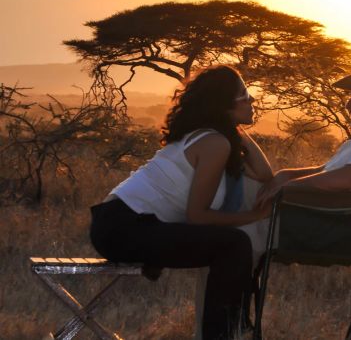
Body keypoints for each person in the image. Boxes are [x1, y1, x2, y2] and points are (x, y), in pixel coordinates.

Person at [89, 65, 274, 340]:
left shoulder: (213, 139)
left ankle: (224, 332)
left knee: (232, 244)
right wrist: (254, 216)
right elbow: (198, 216)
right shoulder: (214, 143)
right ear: (223, 104)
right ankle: (221, 335)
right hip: (123, 226)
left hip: (117, 223)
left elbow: (264, 174)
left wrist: (235, 127)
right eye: (244, 96)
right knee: (234, 244)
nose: (252, 101)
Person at [258, 64, 351, 245]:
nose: (348, 104)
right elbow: (324, 172)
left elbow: (346, 179)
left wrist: (288, 187)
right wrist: (287, 175)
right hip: (320, 221)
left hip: (326, 227)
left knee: (236, 233)